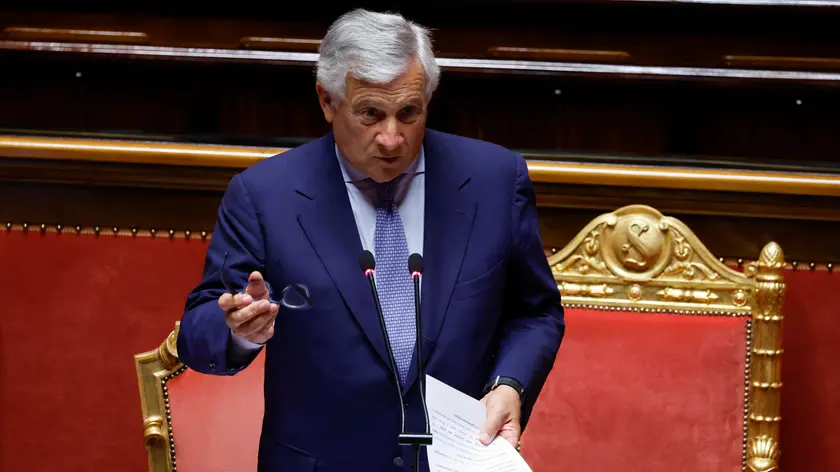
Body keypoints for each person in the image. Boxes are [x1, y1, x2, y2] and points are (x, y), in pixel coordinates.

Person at [176, 8, 565, 472]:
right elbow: (198, 331)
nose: (391, 138)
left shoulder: (494, 180)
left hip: (459, 460)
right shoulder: (263, 196)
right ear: (327, 101)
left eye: (408, 113)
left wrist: (510, 383)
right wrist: (238, 331)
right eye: (370, 114)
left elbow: (535, 312)